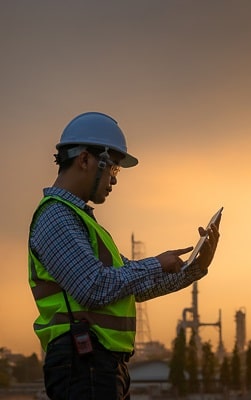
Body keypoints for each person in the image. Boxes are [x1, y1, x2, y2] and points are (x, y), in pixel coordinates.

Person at [28, 111, 221, 400]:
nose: (114, 180)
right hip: (83, 363)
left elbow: (130, 288)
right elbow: (94, 287)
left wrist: (194, 267)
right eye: (113, 169)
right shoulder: (56, 216)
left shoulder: (82, 222)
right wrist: (156, 263)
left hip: (100, 364)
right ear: (85, 160)